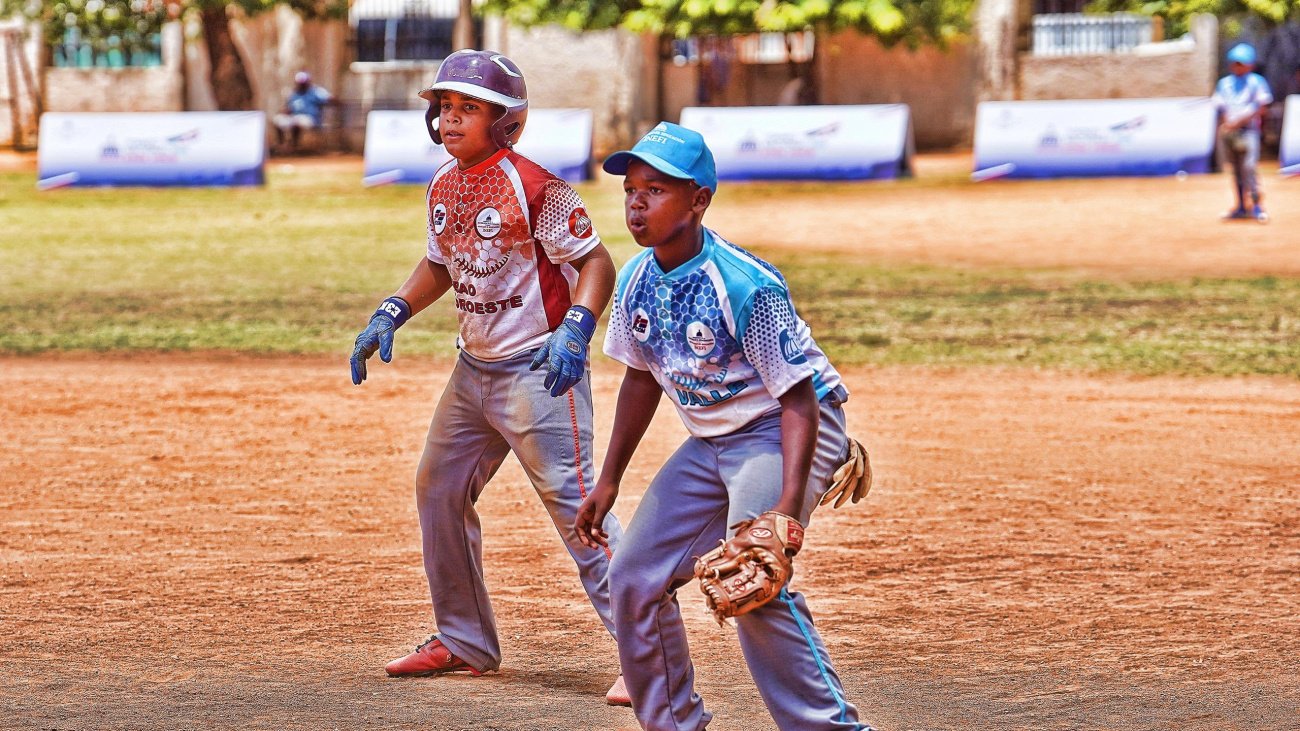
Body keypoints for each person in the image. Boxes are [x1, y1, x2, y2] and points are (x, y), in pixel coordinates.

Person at [348, 49, 629, 706]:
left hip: (540, 372)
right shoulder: (443, 186)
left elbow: (596, 262)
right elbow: (439, 264)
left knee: (578, 509)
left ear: (505, 121)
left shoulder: (536, 186)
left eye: (466, 108)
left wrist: (578, 327)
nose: (449, 119)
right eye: (444, 107)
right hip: (473, 370)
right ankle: (465, 637)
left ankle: (653, 652)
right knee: (438, 487)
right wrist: (392, 309)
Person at [574, 122, 873, 731]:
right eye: (632, 190)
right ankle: (673, 723)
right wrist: (608, 480)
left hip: (785, 428)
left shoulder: (744, 284)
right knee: (633, 575)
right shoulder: (636, 279)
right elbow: (641, 379)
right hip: (714, 437)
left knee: (752, 575)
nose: (637, 203)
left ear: (699, 200)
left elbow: (799, 400)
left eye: (657, 190)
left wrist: (784, 512)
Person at [1213, 43, 1273, 223]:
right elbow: (1220, 106)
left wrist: (1239, 121)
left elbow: (1261, 107)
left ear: (1250, 64)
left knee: (1249, 168)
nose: (1238, 66)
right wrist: (1226, 124)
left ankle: (1256, 206)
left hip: (1249, 132)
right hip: (1230, 133)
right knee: (1236, 170)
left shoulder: (1257, 82)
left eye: (1242, 63)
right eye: (1236, 63)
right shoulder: (1224, 84)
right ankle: (1240, 206)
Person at [273, 71, 333, 153]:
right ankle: (281, 145)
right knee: (278, 119)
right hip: (294, 116)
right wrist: (285, 112)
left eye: (303, 83)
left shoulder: (316, 91)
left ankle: (294, 146)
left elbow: (330, 99)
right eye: (300, 83)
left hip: (310, 118)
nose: (301, 85)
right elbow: (290, 108)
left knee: (297, 122)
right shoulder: (294, 94)